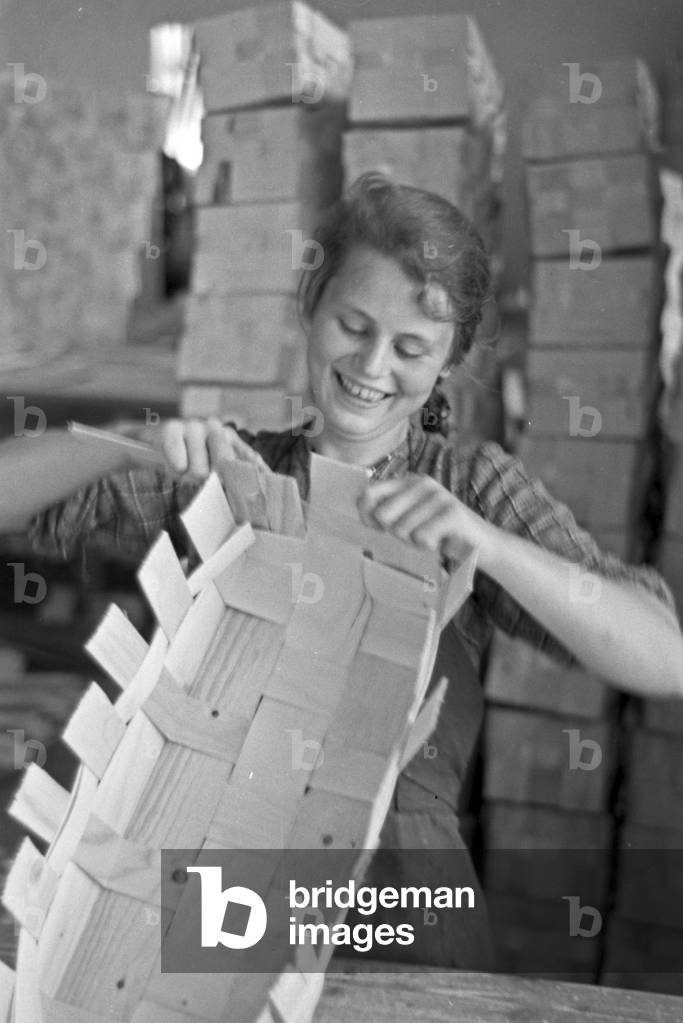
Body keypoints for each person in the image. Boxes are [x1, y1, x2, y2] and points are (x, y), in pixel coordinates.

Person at [2, 173, 682, 969]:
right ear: (311, 308)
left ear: (449, 361)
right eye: (352, 325)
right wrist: (132, 443)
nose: (370, 364)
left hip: (401, 893)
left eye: (410, 348)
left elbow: (662, 653)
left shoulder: (470, 490)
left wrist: (490, 546)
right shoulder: (227, 468)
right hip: (234, 875)